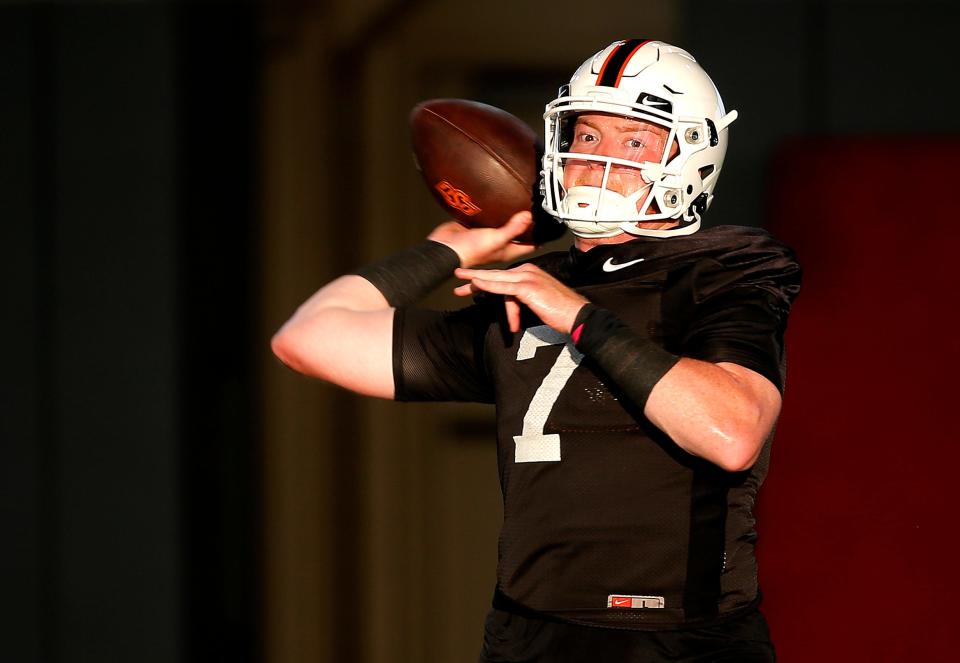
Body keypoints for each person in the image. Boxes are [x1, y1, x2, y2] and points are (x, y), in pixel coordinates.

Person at [272, 39, 801, 662]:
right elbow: (306, 338)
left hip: (681, 639)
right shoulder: (522, 293)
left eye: (635, 140)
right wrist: (452, 252)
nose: (600, 159)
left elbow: (732, 431)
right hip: (531, 636)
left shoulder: (721, 270)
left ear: (694, 152)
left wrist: (575, 314)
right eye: (587, 137)